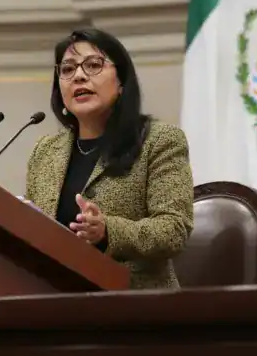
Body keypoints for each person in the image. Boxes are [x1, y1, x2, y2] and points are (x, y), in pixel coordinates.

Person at [25, 28, 194, 290]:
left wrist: (107, 231)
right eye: (67, 69)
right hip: (56, 300)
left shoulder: (159, 141)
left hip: (135, 303)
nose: (79, 76)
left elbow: (174, 230)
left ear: (121, 82)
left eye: (93, 65)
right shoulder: (45, 151)